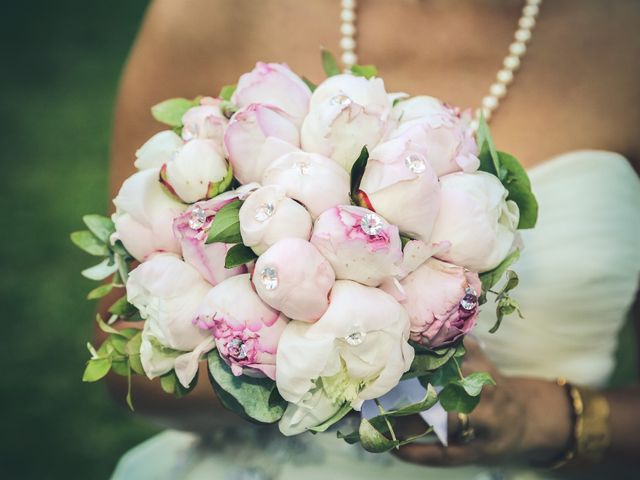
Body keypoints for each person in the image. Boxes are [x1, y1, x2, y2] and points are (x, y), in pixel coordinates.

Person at [101, 0, 640, 478]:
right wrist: (298, 364)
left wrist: (544, 420)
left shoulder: (623, 37)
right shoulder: (216, 9)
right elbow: (125, 346)